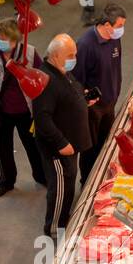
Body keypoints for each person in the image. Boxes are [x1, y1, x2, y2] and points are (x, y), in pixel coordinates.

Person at [0, 17, 46, 197]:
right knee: (3, 148)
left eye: (4, 38)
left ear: (15, 40)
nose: (0, 42)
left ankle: (41, 175)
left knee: (32, 146)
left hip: (25, 111)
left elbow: (41, 79)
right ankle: (6, 181)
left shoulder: (29, 53)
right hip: (0, 109)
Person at [31, 33, 92, 238]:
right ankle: (54, 228)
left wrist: (83, 99)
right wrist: (61, 143)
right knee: (60, 188)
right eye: (70, 54)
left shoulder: (62, 70)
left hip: (71, 143)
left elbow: (69, 92)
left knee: (69, 181)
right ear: (55, 56)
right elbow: (42, 119)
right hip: (58, 149)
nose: (74, 58)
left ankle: (65, 216)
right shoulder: (45, 80)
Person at [74, 3, 127, 183]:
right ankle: (87, 181)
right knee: (90, 148)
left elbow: (116, 66)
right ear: (106, 25)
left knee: (105, 143)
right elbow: (76, 79)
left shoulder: (114, 38)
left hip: (109, 103)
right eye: (119, 26)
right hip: (93, 109)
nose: (122, 30)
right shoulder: (85, 45)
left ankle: (101, 179)